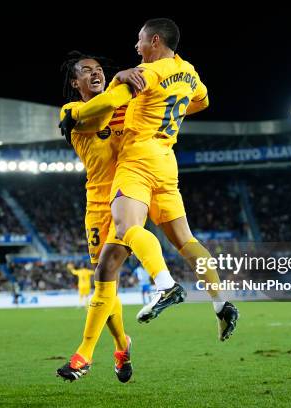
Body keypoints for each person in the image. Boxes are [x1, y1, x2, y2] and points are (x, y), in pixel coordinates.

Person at [60, 18, 238, 340]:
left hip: (139, 157)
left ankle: (164, 285)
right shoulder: (189, 71)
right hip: (167, 160)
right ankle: (221, 303)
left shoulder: (149, 73)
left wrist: (78, 112)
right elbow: (203, 100)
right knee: (186, 241)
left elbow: (113, 101)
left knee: (128, 228)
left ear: (155, 41)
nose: (136, 48)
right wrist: (172, 109)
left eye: (140, 41)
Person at [56, 52, 132, 383]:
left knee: (106, 270)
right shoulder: (71, 111)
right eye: (87, 71)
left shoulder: (122, 104)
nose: (96, 73)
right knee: (106, 280)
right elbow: (97, 115)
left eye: (100, 70)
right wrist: (123, 81)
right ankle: (122, 344)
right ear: (75, 83)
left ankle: (83, 355)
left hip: (126, 199)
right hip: (95, 203)